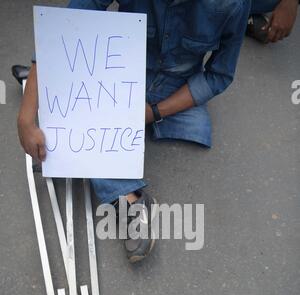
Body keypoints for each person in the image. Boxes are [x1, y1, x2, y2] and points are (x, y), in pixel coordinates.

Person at [18, 0, 296, 263]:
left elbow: (218, 75)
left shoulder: (229, 4)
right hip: (115, 63)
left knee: (75, 118)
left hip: (173, 85)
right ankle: (127, 198)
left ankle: (126, 199)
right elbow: (65, 25)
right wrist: (26, 118)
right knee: (72, 108)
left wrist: (154, 112)